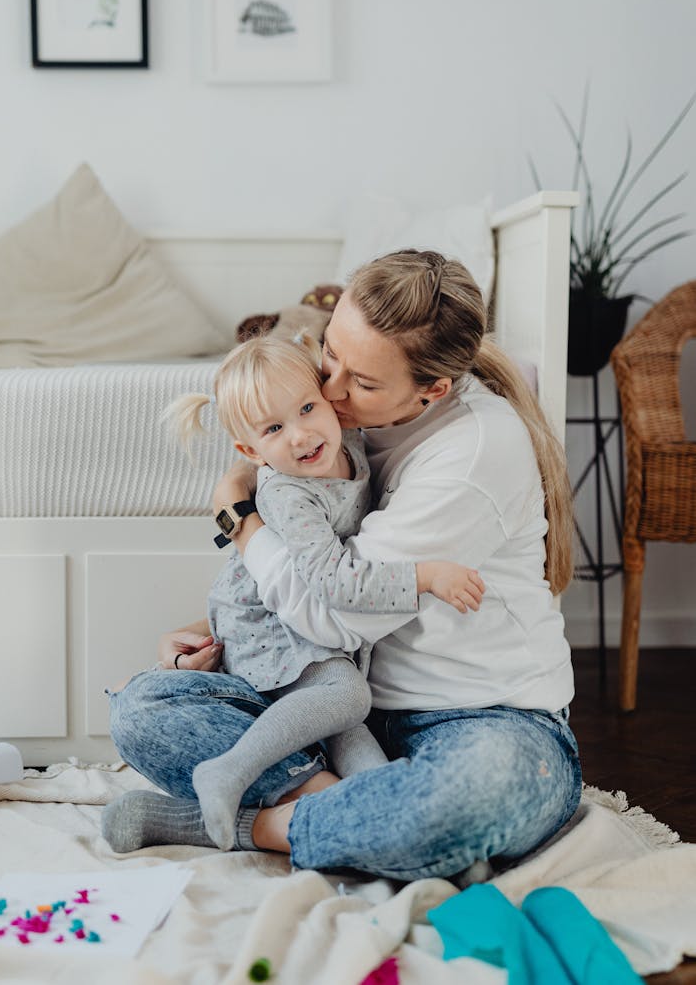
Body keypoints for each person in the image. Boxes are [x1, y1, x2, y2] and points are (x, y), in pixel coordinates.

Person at [103, 250, 581, 884]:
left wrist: (239, 523)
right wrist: (215, 627)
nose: (327, 391)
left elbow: (335, 614)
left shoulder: (470, 455)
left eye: (362, 381)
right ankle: (357, 812)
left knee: (470, 797)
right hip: (343, 708)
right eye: (331, 353)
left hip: (482, 718)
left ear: (432, 389)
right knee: (143, 708)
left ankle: (247, 826)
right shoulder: (346, 426)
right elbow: (312, 564)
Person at [160, 332, 483, 850]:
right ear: (251, 450)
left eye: (308, 408)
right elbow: (334, 581)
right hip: (267, 628)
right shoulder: (289, 493)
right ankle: (228, 770)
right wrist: (425, 576)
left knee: (365, 762)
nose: (300, 435)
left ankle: (413, 834)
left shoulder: (345, 441)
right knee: (348, 696)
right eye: (274, 429)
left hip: (308, 629)